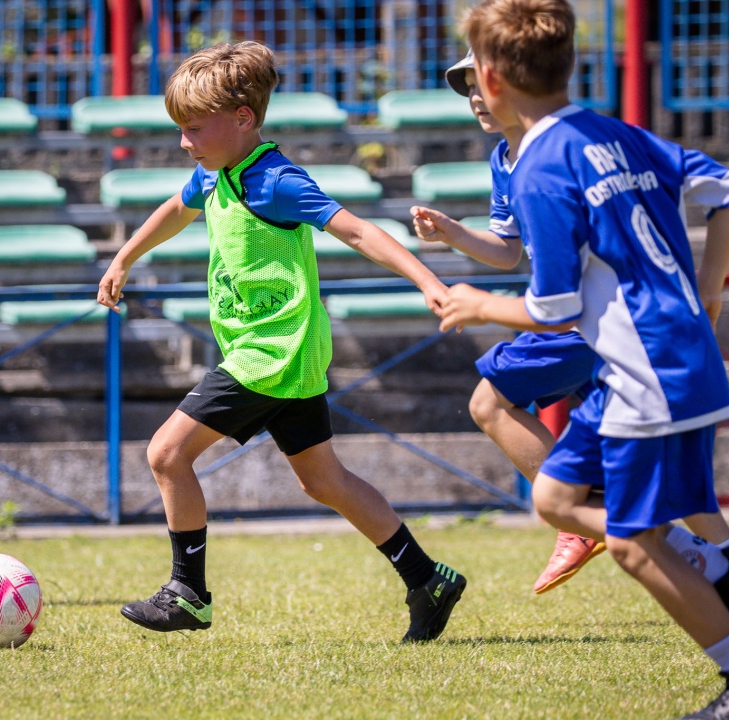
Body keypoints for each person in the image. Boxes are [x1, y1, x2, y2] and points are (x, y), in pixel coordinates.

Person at [442, 1, 729, 718]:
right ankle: (721, 562)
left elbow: (554, 309)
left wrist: (478, 304)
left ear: (492, 78)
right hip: (664, 356)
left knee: (634, 543)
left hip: (646, 367)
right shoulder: (618, 134)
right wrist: (707, 294)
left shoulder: (538, 167)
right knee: (556, 499)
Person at [96, 41, 465, 643]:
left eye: (194, 129)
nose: (184, 142)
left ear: (243, 119)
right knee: (323, 481)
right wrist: (124, 257)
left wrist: (429, 281)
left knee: (166, 454)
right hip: (280, 354)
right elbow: (177, 208)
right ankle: (428, 579)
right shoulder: (215, 172)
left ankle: (188, 593)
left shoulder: (275, 181)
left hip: (272, 352)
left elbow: (358, 231)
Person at [413, 50, 729, 606]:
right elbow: (508, 249)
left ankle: (589, 514)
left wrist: (481, 306)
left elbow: (555, 305)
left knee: (491, 406)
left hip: (595, 323)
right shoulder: (520, 155)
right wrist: (453, 233)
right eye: (467, 87)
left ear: (515, 80)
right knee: (671, 481)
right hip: (653, 333)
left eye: (482, 81)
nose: (476, 96)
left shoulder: (554, 156)